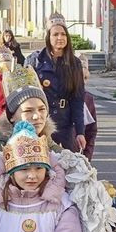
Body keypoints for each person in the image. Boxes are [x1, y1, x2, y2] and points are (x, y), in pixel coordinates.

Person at [25, 15, 86, 152]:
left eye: (63, 34)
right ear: (48, 37)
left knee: (65, 164)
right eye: (55, 34)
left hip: (64, 124)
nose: (60, 38)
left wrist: (80, 132)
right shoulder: (35, 60)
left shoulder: (74, 63)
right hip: (40, 122)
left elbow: (78, 99)